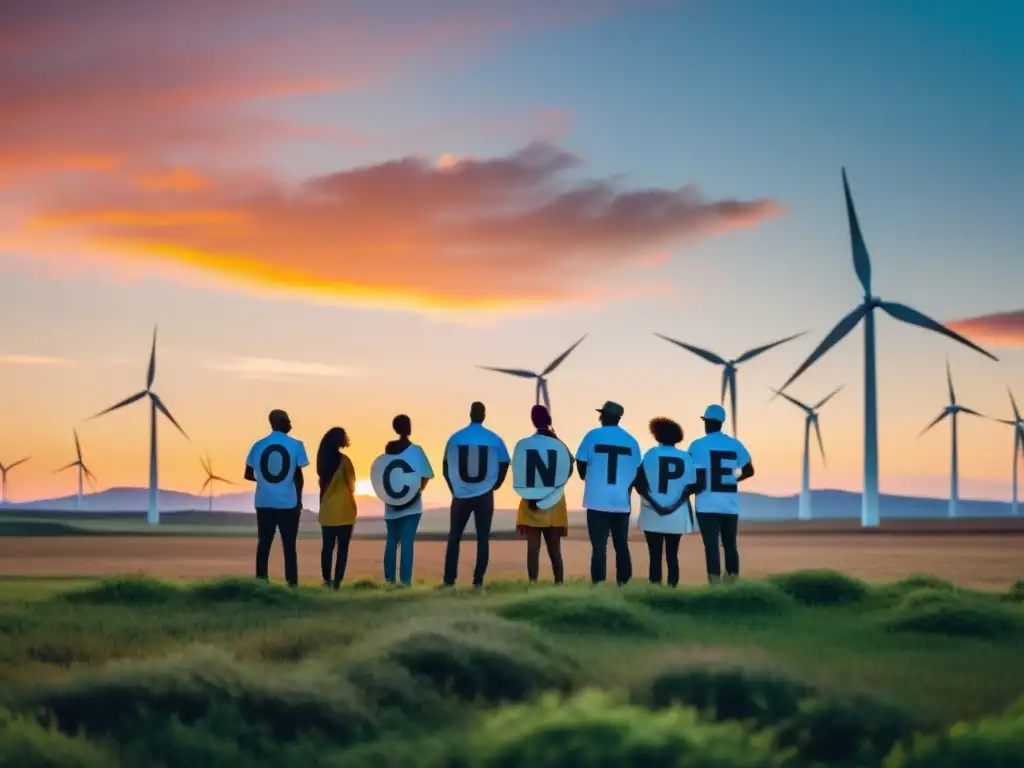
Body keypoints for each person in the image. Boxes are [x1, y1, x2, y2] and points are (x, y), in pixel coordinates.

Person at [442, 401, 510, 587]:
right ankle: (478, 581)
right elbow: (505, 462)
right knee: (482, 538)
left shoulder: (455, 438)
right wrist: (496, 484)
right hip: (484, 494)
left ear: (470, 414)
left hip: (461, 494)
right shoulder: (494, 439)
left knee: (454, 536)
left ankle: (449, 581)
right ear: (484, 415)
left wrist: (454, 487)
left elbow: (446, 466)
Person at [576, 400, 642, 585]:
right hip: (621, 501)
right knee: (621, 545)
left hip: (596, 501)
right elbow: (638, 471)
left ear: (603, 416)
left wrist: (589, 478)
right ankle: (624, 585)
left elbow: (580, 463)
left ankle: (598, 586)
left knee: (599, 547)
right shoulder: (631, 440)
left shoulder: (592, 436)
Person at [687, 404, 755, 582]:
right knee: (730, 546)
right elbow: (749, 471)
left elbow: (690, 473)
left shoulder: (697, 445)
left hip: (706, 504)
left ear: (706, 423)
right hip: (729, 504)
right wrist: (734, 480)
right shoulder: (735, 444)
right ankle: (733, 583)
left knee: (712, 547)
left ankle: (715, 586)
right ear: (721, 423)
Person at [245, 409, 309, 587]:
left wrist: (265, 481)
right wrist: (298, 500)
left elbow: (248, 474)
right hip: (288, 503)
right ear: (280, 421)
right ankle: (292, 584)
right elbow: (298, 476)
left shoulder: (258, 445)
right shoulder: (296, 445)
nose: (291, 424)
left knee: (263, 545)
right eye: (288, 421)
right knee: (289, 547)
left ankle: (261, 582)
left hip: (264, 502)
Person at [634, 417, 699, 587]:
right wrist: (673, 505)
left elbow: (639, 484)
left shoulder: (650, 455)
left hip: (651, 513)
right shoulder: (686, 458)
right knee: (672, 555)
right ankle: (672, 590)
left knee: (654, 556)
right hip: (676, 514)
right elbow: (692, 487)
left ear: (657, 435)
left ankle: (655, 591)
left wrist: (656, 505)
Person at [514, 404, 570, 584]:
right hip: (554, 501)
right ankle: (559, 584)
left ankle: (533, 584)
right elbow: (570, 467)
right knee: (555, 550)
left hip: (532, 500)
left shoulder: (525, 444)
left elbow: (518, 471)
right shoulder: (559, 444)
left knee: (533, 549)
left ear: (533, 421)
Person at [381, 414, 433, 586]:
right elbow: (427, 475)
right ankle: (405, 582)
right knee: (407, 543)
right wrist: (417, 490)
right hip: (412, 505)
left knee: (391, 542)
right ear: (409, 428)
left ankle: (389, 581)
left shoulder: (387, 450)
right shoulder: (416, 450)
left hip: (391, 504)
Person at [316, 427, 356, 589]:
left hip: (327, 511)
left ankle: (326, 580)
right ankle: (337, 583)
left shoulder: (322, 463)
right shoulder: (345, 461)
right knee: (342, 550)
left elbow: (322, 487)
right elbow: (352, 485)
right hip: (345, 511)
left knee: (327, 548)